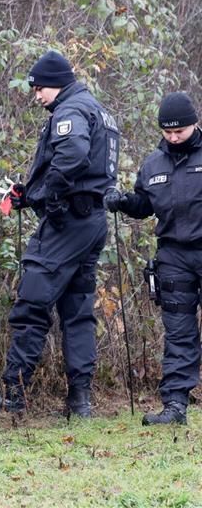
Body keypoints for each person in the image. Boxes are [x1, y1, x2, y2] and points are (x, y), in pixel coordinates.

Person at [0, 51, 119, 418]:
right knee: (78, 310)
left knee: (31, 305)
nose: (36, 95)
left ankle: (13, 398)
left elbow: (71, 156)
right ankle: (79, 402)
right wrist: (30, 193)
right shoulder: (95, 109)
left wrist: (51, 197)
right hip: (91, 220)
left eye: (39, 88)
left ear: (57, 82)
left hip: (66, 224)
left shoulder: (70, 111)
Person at [105, 91, 201, 426]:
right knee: (178, 332)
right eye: (168, 132)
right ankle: (175, 407)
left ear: (195, 124)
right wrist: (123, 202)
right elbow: (145, 205)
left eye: (180, 132)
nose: (174, 138)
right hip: (173, 255)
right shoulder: (153, 163)